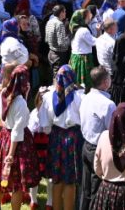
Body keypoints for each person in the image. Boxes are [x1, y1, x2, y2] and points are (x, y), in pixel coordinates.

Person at [35, 65, 86, 210]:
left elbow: (45, 126)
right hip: (74, 138)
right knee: (70, 182)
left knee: (56, 180)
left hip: (55, 138)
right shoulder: (80, 97)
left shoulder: (47, 97)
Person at [0, 65, 39, 210]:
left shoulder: (3, 94)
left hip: (5, 138)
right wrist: (11, 155)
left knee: (3, 175)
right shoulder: (21, 103)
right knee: (17, 184)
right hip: (17, 144)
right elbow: (17, 131)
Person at [80, 66, 116, 210]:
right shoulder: (108, 104)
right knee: (96, 188)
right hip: (98, 149)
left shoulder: (86, 97)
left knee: (86, 187)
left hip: (86, 145)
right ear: (105, 82)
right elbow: (111, 130)